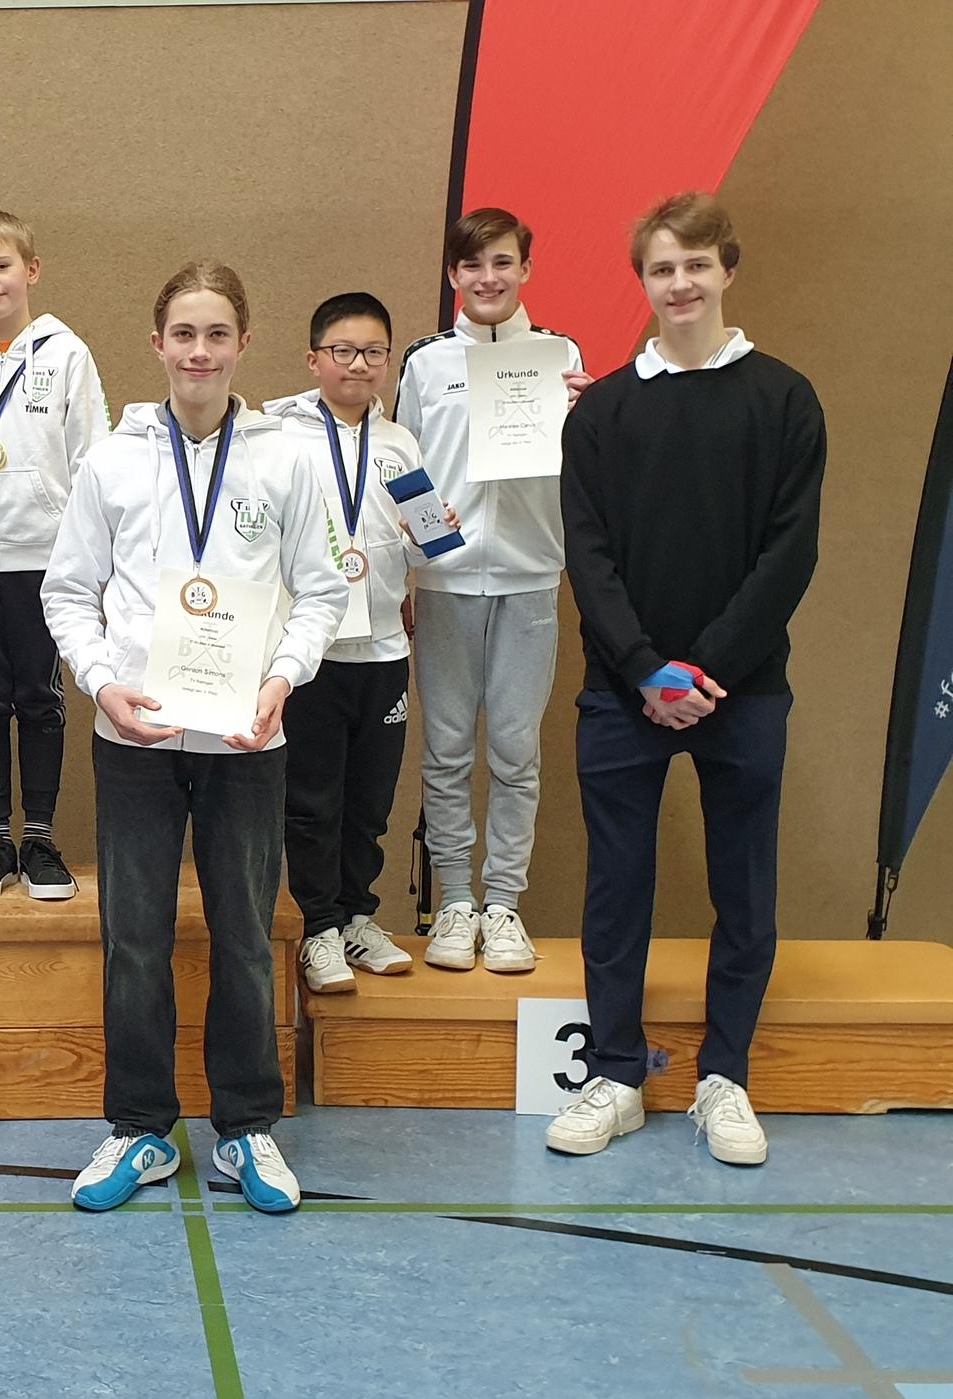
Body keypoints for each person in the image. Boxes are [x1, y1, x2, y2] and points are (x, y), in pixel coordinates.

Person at [43, 261, 347, 1214]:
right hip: (134, 736)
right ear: (157, 343)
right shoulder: (112, 459)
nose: (200, 352)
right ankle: (139, 1130)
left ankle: (246, 1125)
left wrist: (280, 679)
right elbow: (65, 593)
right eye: (184, 333)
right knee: (132, 936)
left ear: (242, 345)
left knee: (245, 936)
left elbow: (325, 589)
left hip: (245, 740)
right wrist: (103, 682)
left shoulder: (286, 458)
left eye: (217, 334)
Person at [550, 192, 825, 1166]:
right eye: (662, 269)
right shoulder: (605, 412)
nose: (680, 284)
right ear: (644, 282)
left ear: (727, 270)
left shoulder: (785, 399)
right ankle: (617, 1073)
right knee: (617, 888)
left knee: (744, 888)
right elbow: (587, 553)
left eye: (696, 265)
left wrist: (704, 667)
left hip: (740, 691)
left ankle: (724, 1077)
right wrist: (642, 667)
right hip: (624, 693)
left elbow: (789, 555)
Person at [395, 209, 588, 973]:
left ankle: (503, 903)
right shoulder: (423, 362)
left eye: (502, 263)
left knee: (514, 752)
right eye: (471, 265)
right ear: (452, 276)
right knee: (444, 753)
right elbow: (402, 468)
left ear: (525, 270)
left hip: (529, 575)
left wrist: (585, 411)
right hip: (442, 578)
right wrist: (411, 561)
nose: (487, 279)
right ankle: (453, 902)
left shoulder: (561, 355)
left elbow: (581, 467)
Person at [266, 292, 443, 994]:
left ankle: (357, 917)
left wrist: (431, 533)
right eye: (342, 350)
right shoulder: (276, 432)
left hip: (382, 654)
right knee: (312, 800)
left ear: (388, 361)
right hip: (312, 654)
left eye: (373, 351)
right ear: (314, 359)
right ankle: (316, 926)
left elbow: (428, 551)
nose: (358, 363)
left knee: (368, 801)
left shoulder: (399, 442)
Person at [0, 209, 108, 900]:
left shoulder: (67, 354)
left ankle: (38, 837)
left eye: (1, 265)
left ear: (30, 271)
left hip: (43, 556)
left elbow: (92, 460)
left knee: (38, 698)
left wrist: (90, 559)